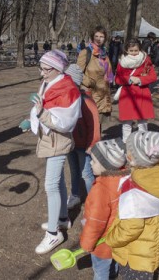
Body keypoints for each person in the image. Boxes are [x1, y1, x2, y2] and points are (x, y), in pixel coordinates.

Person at [106, 131, 159, 280]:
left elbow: (131, 227)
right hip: (151, 249)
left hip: (135, 254)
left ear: (135, 158)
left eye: (129, 151)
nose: (126, 155)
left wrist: (111, 238)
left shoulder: (135, 192)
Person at [28, 50, 81, 254]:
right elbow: (41, 104)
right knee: (57, 182)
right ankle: (62, 220)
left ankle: (53, 234)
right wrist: (31, 119)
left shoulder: (68, 90)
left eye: (45, 69)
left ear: (57, 69)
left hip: (58, 140)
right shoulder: (49, 82)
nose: (41, 73)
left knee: (50, 185)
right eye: (40, 68)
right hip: (49, 139)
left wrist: (41, 114)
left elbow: (64, 123)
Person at [80, 137, 129, 280]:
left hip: (101, 243)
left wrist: (87, 243)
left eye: (94, 161)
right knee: (113, 259)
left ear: (107, 165)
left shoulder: (101, 190)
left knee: (100, 270)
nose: (90, 163)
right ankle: (113, 274)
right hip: (118, 236)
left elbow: (96, 221)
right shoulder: (125, 178)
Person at [64, 64, 101, 210]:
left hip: (84, 145)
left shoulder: (86, 101)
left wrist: (92, 144)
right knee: (74, 171)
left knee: (86, 173)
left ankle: (93, 202)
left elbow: (95, 125)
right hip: (69, 144)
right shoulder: (66, 99)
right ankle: (75, 195)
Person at [115, 38, 157, 143]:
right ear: (126, 50)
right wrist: (128, 79)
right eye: (131, 51)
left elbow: (153, 76)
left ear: (140, 49)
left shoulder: (146, 60)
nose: (134, 53)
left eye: (136, 51)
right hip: (127, 94)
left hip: (142, 93)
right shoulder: (121, 61)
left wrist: (140, 80)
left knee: (142, 122)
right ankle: (126, 143)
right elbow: (117, 79)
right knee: (126, 122)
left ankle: (143, 143)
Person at [77, 26, 113, 129]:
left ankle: (96, 143)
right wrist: (90, 83)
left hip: (103, 95)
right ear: (92, 37)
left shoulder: (104, 54)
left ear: (105, 38)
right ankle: (90, 145)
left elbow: (108, 73)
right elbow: (77, 72)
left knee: (98, 125)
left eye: (101, 36)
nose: (98, 39)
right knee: (90, 124)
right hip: (90, 94)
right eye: (96, 36)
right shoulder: (86, 52)